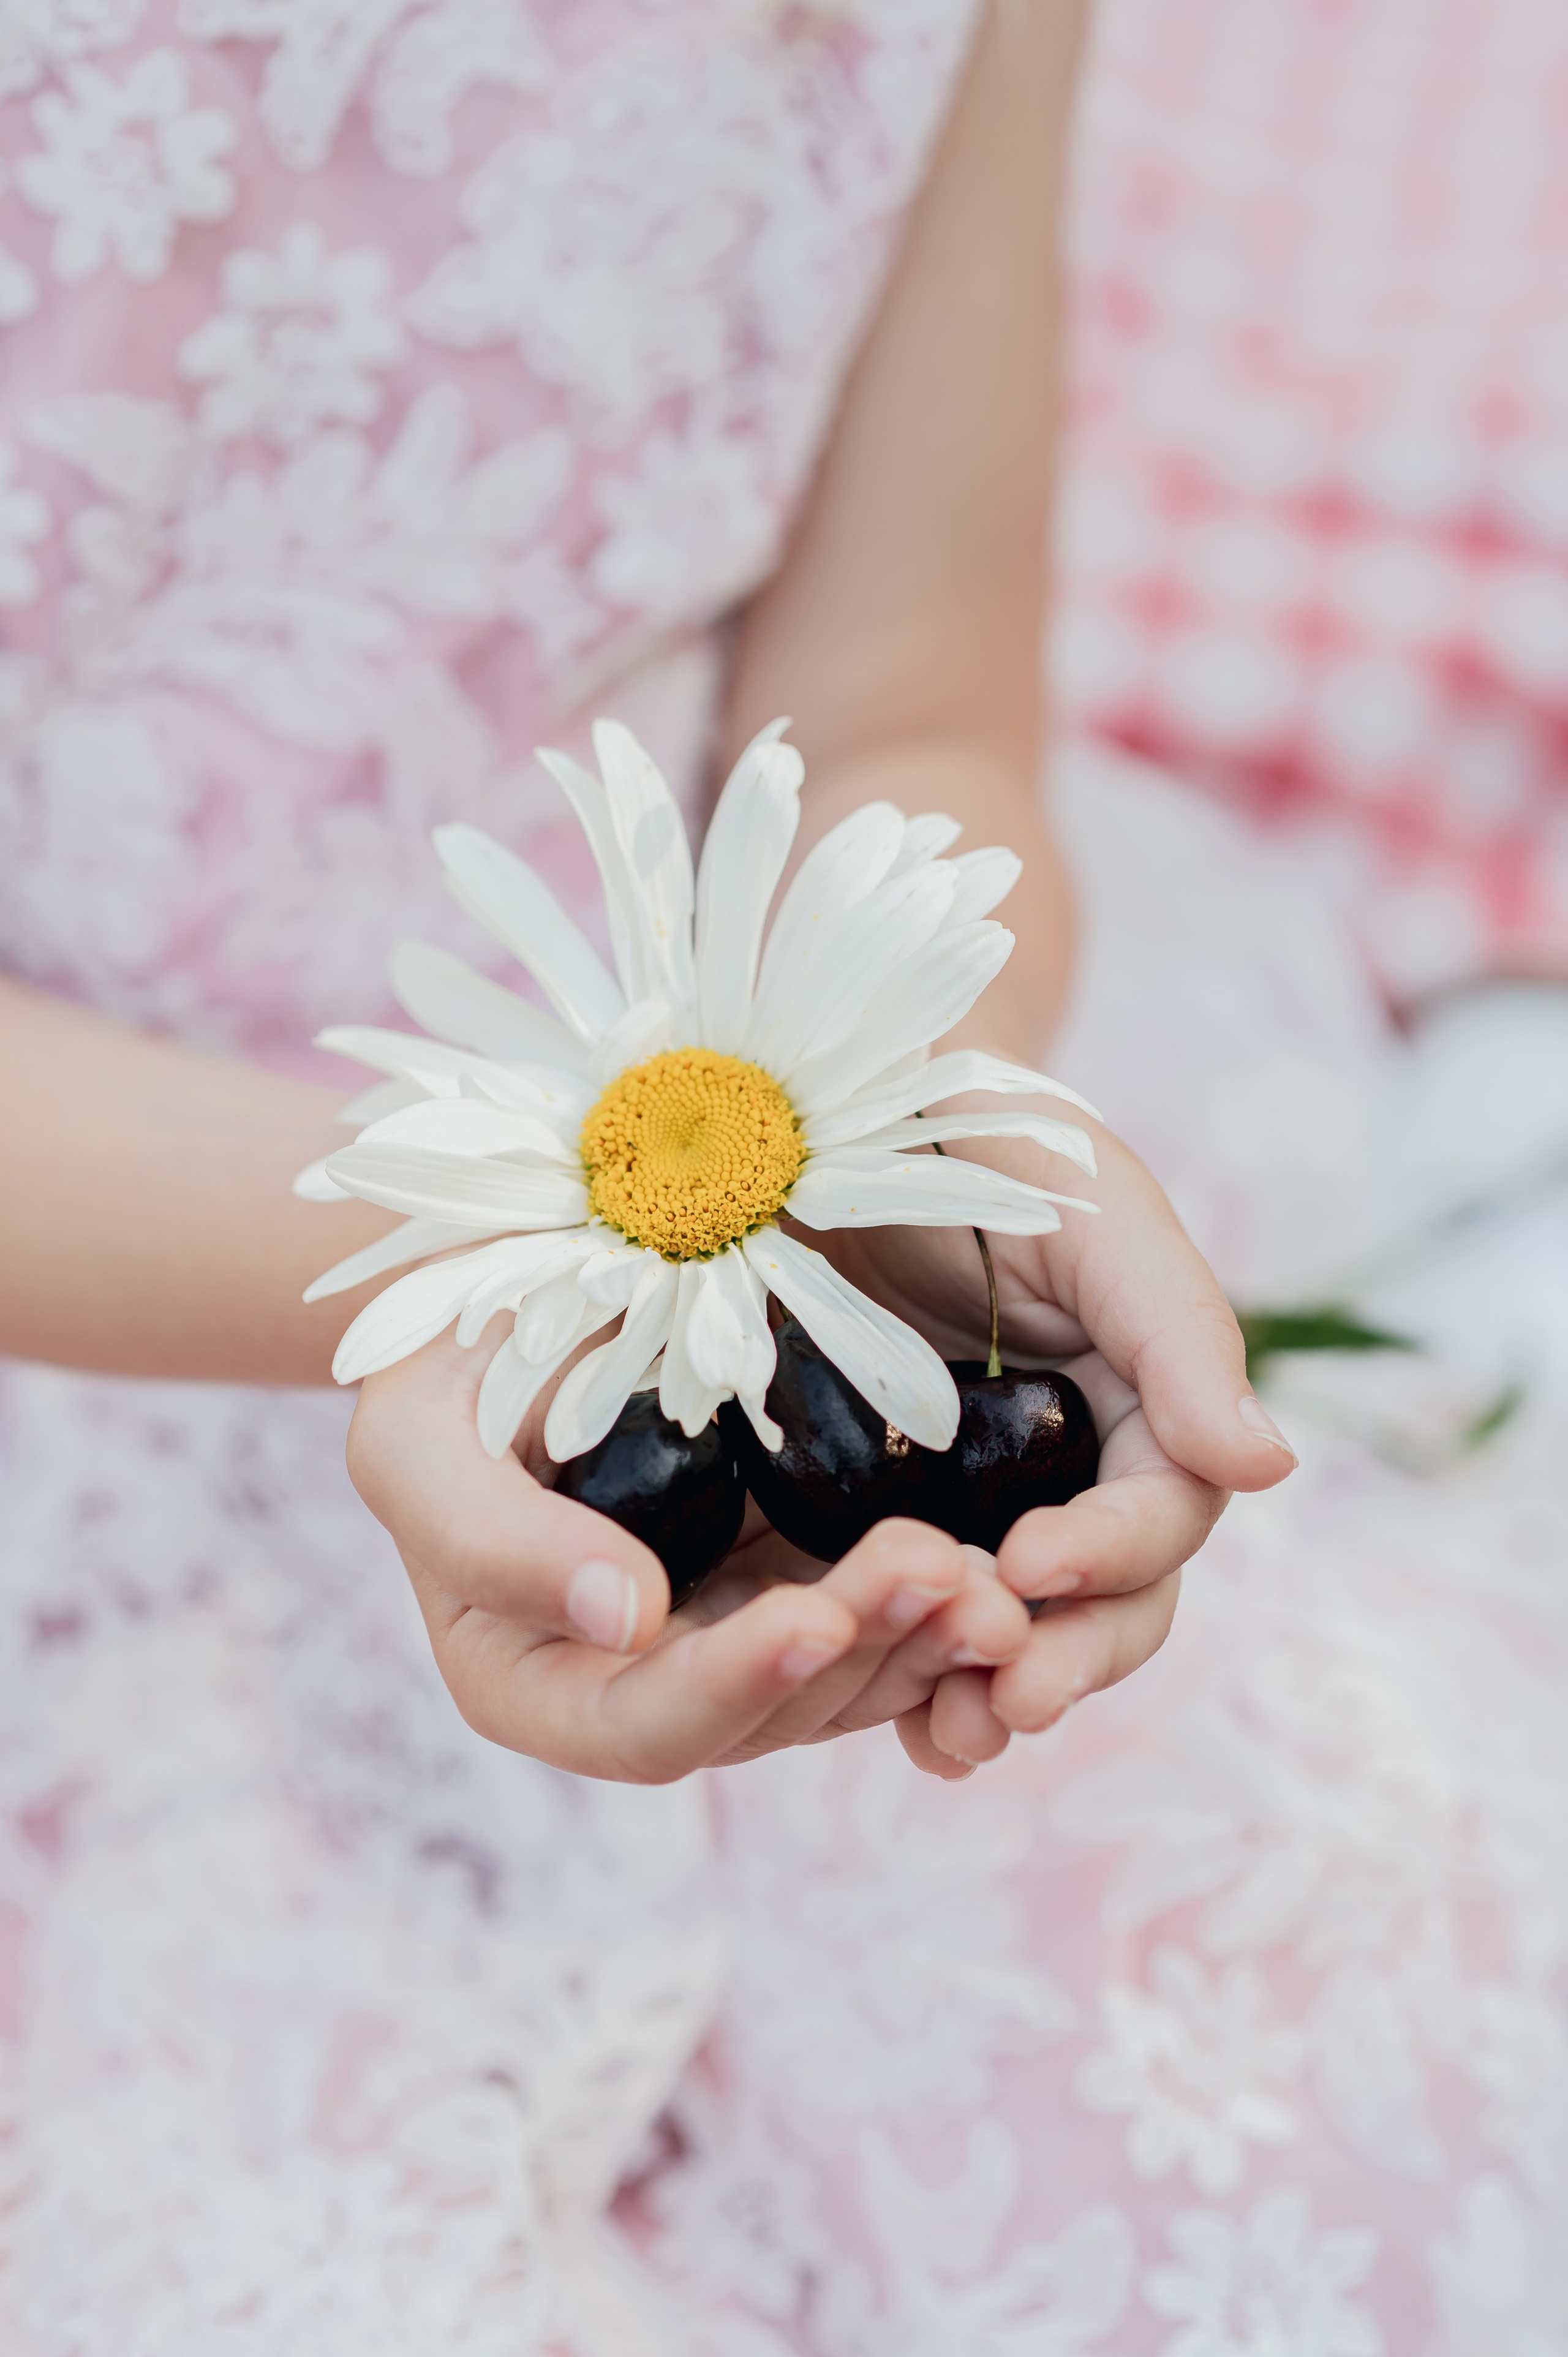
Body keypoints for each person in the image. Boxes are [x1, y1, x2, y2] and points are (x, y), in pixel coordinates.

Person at [10, 0, 1488, 2344]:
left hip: (720, 1155)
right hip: (109, 1305)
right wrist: (475, 1263)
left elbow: (904, 706)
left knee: (1332, 2088)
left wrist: (911, 1120)